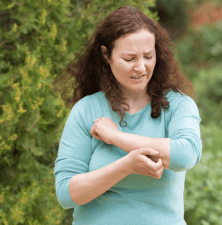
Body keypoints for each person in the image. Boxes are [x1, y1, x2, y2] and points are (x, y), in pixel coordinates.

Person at [53, 6, 202, 225]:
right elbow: (66, 194)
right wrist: (126, 166)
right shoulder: (86, 110)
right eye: (129, 58)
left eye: (148, 56)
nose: (141, 67)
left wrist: (117, 138)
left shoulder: (178, 105)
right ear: (107, 55)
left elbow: (186, 154)